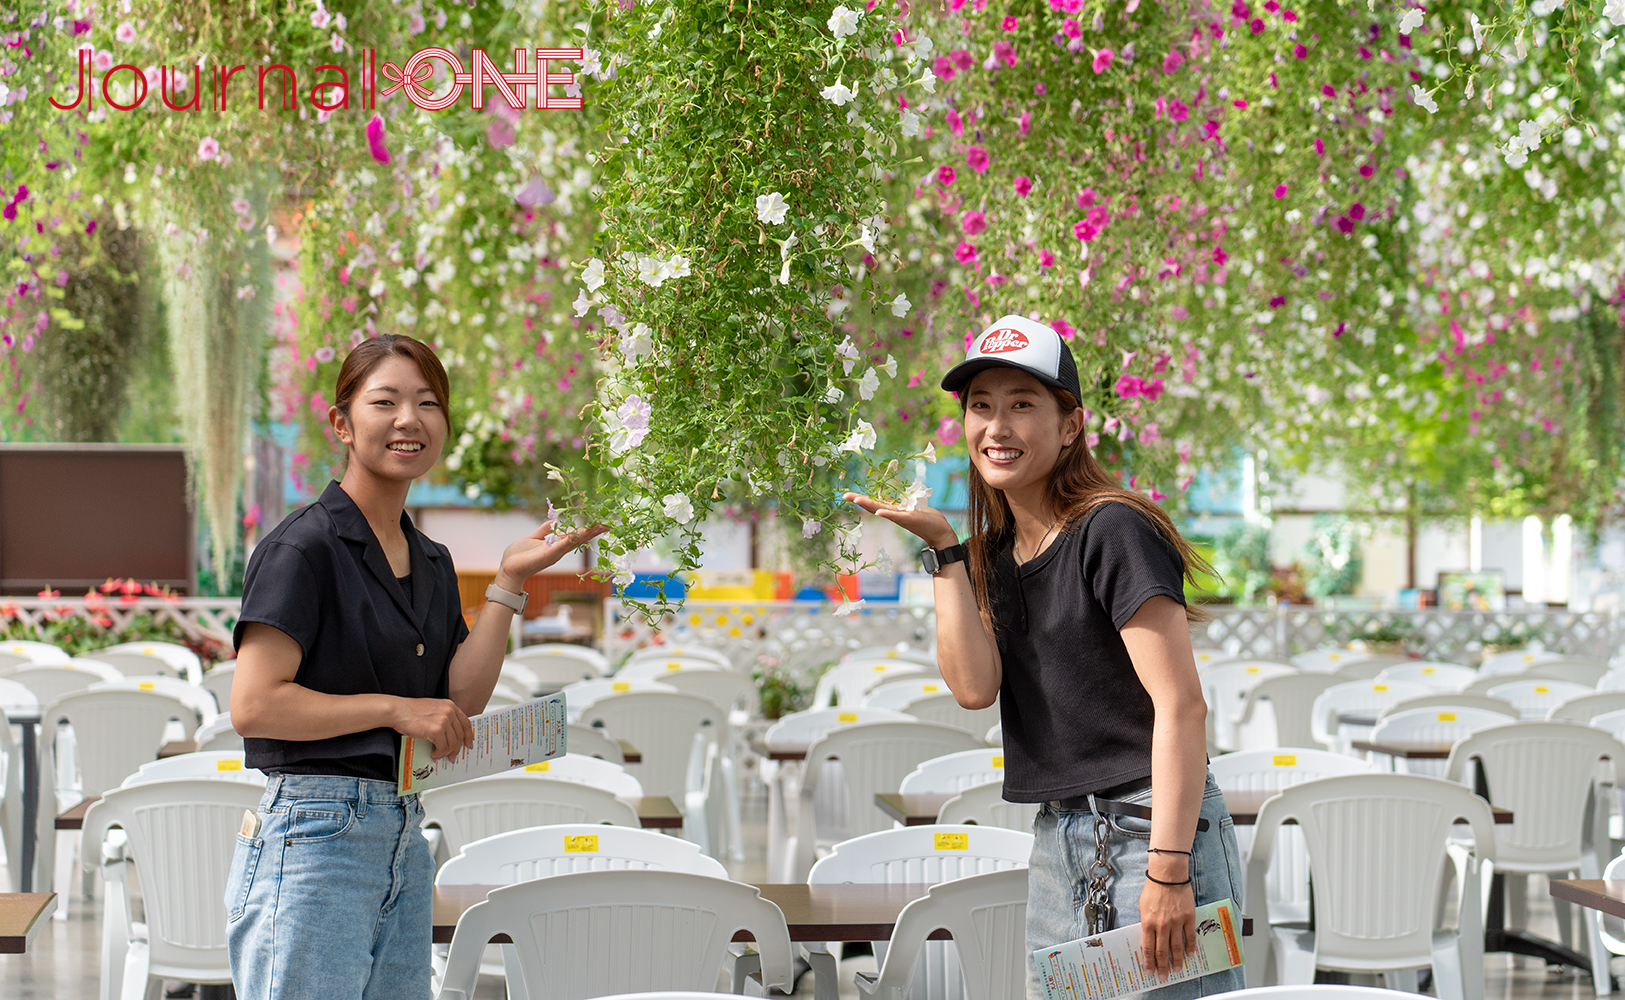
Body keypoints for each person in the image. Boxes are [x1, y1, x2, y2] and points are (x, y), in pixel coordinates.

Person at [845, 315, 1243, 998]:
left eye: (1022, 404)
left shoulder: (1112, 529)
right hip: (1060, 831)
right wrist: (945, 553)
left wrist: (1169, 869)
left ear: (1070, 425)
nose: (996, 427)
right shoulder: (994, 557)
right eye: (981, 406)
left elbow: (1181, 704)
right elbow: (974, 688)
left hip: (1151, 827)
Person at [225, 334, 603, 999]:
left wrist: (510, 583)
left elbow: (460, 695)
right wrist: (395, 709)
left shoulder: (430, 559)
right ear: (341, 424)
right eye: (386, 401)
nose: (410, 419)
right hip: (313, 832)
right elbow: (254, 706)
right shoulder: (303, 547)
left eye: (428, 403)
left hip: (401, 827)